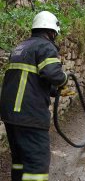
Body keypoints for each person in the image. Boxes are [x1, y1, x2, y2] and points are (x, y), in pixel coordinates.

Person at [0, 11, 68, 181]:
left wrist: (54, 90)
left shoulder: (20, 47)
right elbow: (54, 74)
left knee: (20, 162)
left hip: (11, 116)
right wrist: (64, 79)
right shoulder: (45, 46)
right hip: (30, 116)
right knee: (37, 165)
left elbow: (29, 79)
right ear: (51, 32)